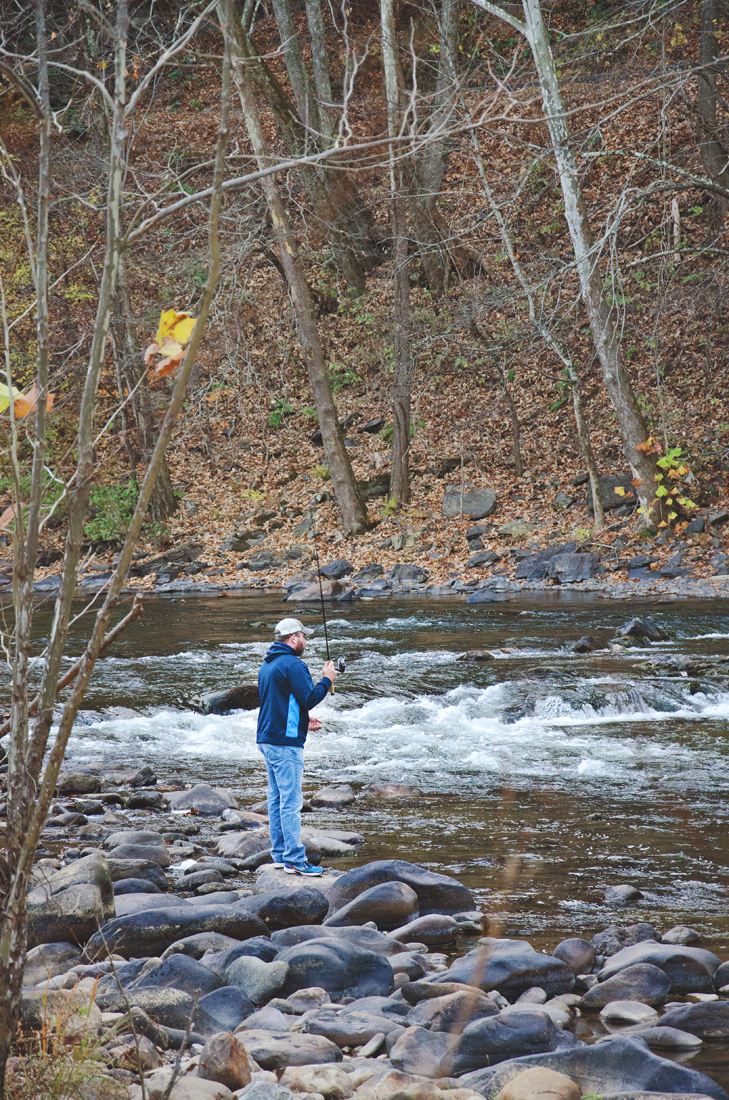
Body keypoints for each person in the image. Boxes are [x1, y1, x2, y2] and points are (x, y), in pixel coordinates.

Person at [256, 617, 337, 876]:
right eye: (303, 636)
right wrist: (327, 679)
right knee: (290, 802)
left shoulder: (268, 664)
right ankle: (294, 859)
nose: (305, 640)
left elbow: (279, 701)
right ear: (293, 639)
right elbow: (309, 697)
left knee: (276, 798)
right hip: (285, 743)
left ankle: (279, 855)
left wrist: (304, 719)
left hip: (267, 739)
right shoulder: (294, 664)